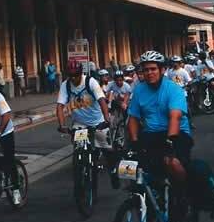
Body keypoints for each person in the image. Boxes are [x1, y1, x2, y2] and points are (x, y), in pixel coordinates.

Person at [126, 51, 193, 194]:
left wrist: (170, 141)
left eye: (153, 69)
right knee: (131, 165)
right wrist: (134, 141)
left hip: (177, 133)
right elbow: (133, 118)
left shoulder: (174, 89)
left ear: (162, 70)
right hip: (151, 133)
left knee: (172, 163)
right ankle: (141, 197)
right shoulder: (139, 90)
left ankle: (185, 195)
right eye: (146, 70)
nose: (149, 73)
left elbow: (175, 117)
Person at [56, 59, 112, 158]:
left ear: (81, 73)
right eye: (70, 75)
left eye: (76, 75)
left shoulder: (90, 82)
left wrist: (107, 119)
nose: (73, 78)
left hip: (98, 123)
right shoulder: (65, 85)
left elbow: (102, 101)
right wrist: (62, 125)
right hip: (80, 123)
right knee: (78, 148)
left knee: (107, 149)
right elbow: (60, 106)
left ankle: (112, 170)